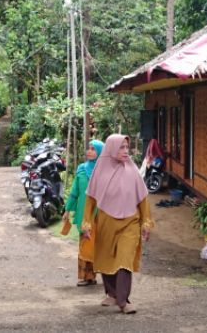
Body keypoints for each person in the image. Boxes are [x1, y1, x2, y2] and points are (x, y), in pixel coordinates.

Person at [81, 134, 153, 314]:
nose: (125, 151)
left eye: (127, 147)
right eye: (121, 147)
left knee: (124, 261)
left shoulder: (132, 170)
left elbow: (143, 199)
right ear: (111, 148)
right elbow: (90, 199)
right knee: (106, 259)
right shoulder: (100, 170)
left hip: (130, 223)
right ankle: (111, 294)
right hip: (106, 223)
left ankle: (123, 301)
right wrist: (87, 223)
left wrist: (146, 222)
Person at [62, 139, 104, 286]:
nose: (89, 151)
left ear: (100, 152)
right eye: (89, 148)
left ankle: (99, 275)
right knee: (84, 243)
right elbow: (74, 192)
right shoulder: (81, 169)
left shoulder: (105, 171)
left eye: (93, 149)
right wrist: (67, 210)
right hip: (82, 213)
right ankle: (86, 276)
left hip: (99, 214)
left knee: (97, 244)